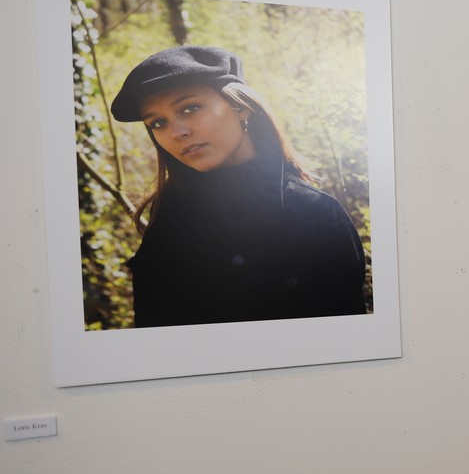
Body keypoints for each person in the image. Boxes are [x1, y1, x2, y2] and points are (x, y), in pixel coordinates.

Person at [110, 45, 367, 328]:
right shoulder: (168, 215)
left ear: (241, 107)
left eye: (190, 108)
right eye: (158, 123)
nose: (177, 132)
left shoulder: (316, 213)